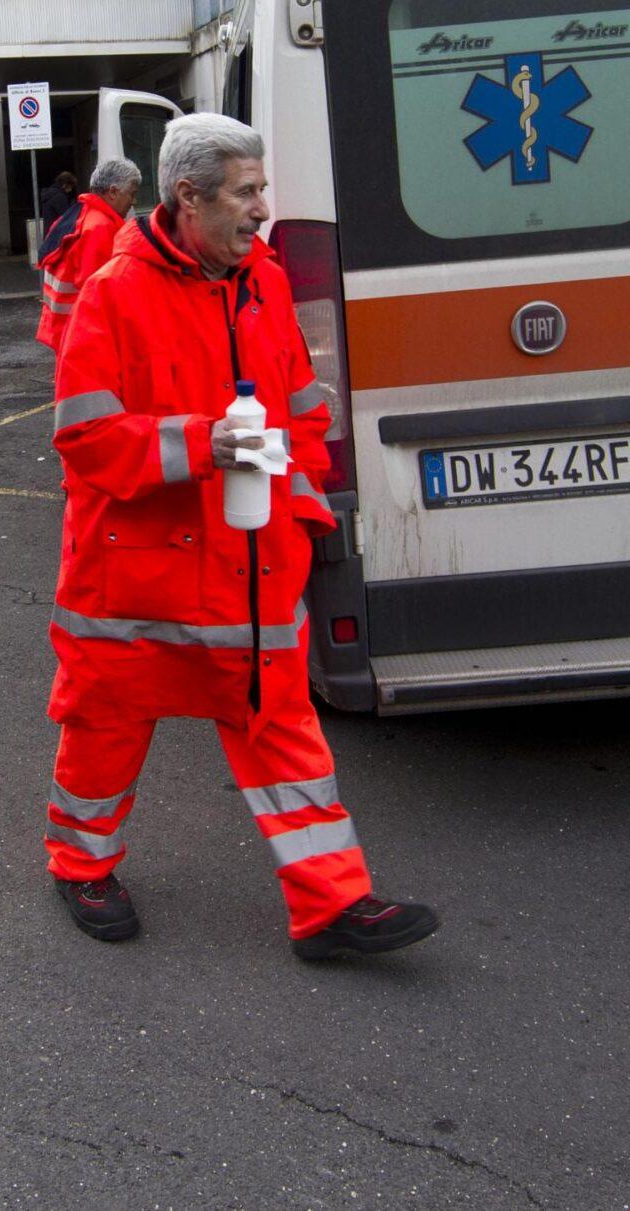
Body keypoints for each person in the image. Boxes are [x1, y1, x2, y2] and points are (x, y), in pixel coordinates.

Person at [42, 114, 436, 960]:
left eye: (263, 188)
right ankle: (81, 864)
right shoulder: (114, 290)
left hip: (249, 567)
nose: (263, 209)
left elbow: (295, 408)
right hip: (133, 580)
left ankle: (333, 906)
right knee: (105, 728)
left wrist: (302, 511)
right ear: (189, 196)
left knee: (284, 731)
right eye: (246, 192)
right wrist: (201, 443)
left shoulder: (261, 282)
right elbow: (84, 438)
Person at [36, 156, 140, 352]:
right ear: (113, 192)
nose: (134, 201)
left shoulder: (77, 216)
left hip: (65, 330)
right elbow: (99, 296)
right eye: (132, 194)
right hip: (84, 338)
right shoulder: (100, 228)